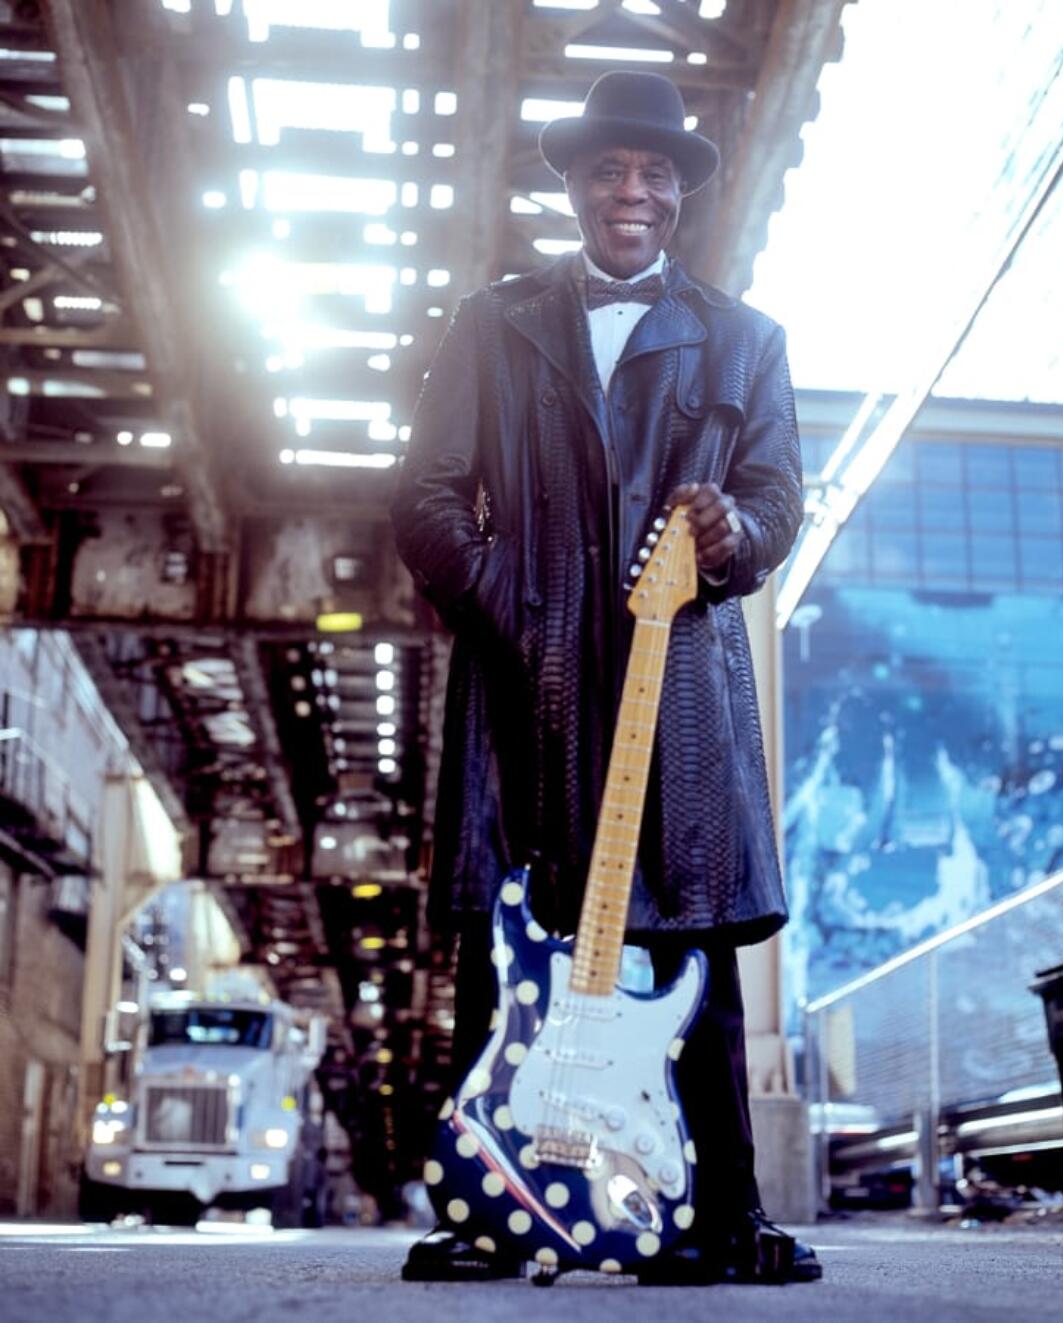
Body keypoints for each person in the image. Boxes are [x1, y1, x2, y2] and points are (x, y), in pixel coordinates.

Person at [391, 69, 816, 1285]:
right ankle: (487, 1209)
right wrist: (511, 607)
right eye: (607, 171)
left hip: (675, 679)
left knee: (695, 949)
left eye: (652, 173)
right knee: (505, 939)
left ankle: (719, 1219)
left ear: (676, 191)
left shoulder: (747, 339)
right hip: (525, 669)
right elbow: (423, 493)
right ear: (574, 186)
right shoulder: (494, 321)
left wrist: (727, 534)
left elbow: (779, 498)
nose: (630, 190)